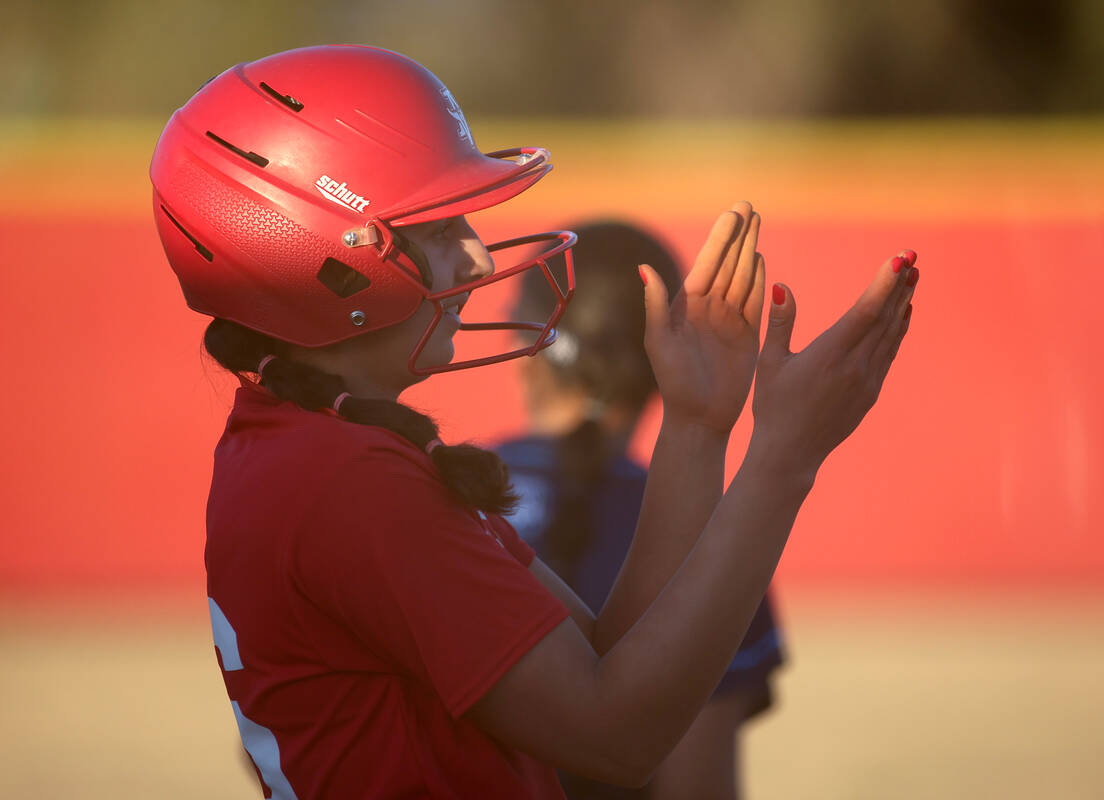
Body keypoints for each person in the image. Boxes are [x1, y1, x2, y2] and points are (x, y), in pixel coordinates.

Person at [150, 44, 919, 799]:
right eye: (439, 226)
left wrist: (696, 427)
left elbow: (601, 658)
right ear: (330, 258)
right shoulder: (349, 481)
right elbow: (618, 740)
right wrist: (784, 459)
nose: (479, 260)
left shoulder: (313, 445)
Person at [498, 221, 783, 800]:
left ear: (527, 347)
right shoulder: (714, 541)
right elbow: (697, 787)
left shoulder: (434, 495)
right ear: (662, 363)